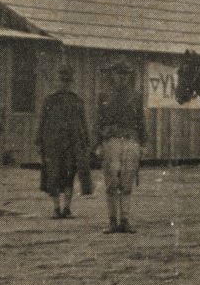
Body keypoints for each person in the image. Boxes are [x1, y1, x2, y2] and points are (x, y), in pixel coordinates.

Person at [96, 61, 145, 234]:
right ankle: (112, 222)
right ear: (113, 75)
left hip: (131, 141)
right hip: (111, 142)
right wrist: (98, 144)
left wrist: (143, 144)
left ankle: (124, 220)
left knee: (127, 183)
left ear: (129, 76)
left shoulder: (136, 96)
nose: (121, 78)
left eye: (125, 74)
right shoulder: (104, 95)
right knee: (111, 183)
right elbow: (99, 121)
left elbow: (141, 122)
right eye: (118, 74)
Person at [36, 66, 91, 219]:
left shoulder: (77, 100)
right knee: (53, 175)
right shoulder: (50, 99)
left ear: (71, 82)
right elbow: (42, 121)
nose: (65, 84)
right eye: (62, 81)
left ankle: (67, 208)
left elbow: (83, 122)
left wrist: (86, 140)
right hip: (53, 144)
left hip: (72, 144)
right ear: (58, 81)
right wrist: (39, 141)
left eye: (68, 81)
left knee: (69, 176)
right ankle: (55, 208)